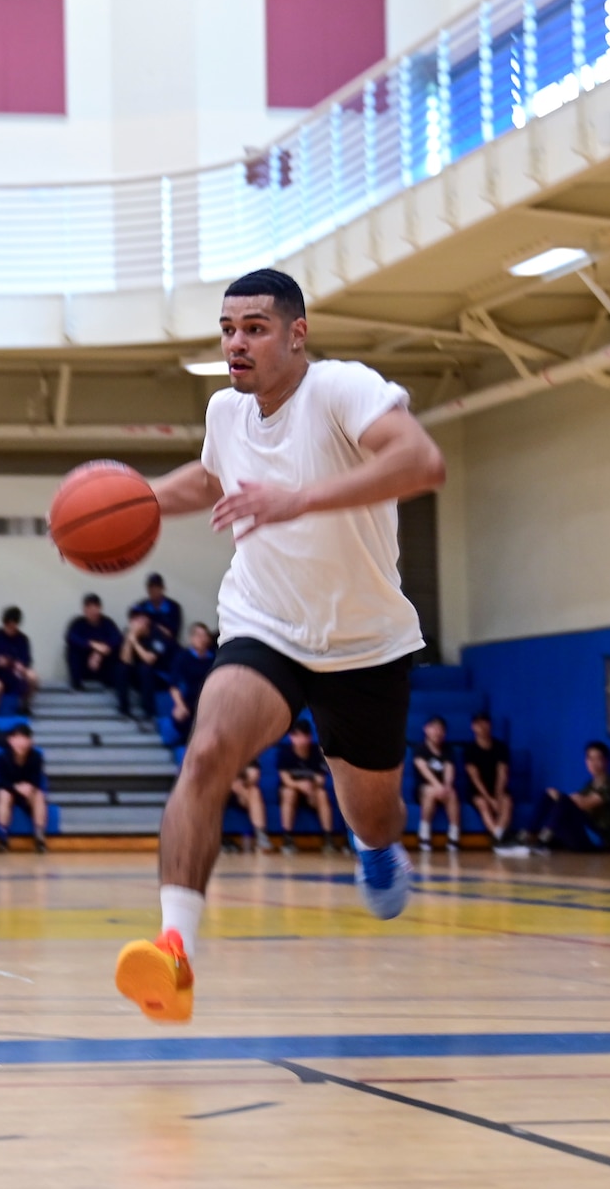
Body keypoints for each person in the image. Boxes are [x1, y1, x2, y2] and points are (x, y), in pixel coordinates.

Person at [113, 269, 444, 1024]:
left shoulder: (342, 389)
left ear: (297, 333)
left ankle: (374, 845)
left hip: (365, 642)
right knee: (207, 752)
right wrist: (131, 498)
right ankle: (173, 948)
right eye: (228, 328)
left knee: (375, 814)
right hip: (265, 625)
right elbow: (208, 479)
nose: (237, 342)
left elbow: (422, 462)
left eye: (255, 327)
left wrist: (295, 498)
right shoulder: (225, 411)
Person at [523, 742, 610, 852]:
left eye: (597, 759)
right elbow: (574, 800)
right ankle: (527, 835)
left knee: (563, 800)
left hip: (597, 839)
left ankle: (543, 840)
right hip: (582, 833)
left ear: (605, 761)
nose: (593, 763)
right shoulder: (589, 785)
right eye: (590, 759)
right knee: (548, 796)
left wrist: (563, 798)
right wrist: (561, 798)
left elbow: (584, 803)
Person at [275, 720, 336, 854]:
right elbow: (285, 779)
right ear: (291, 737)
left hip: (312, 792)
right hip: (293, 791)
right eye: (297, 736)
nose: (301, 740)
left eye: (304, 735)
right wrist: (300, 785)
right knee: (288, 793)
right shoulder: (285, 752)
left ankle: (328, 838)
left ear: (309, 737)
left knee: (322, 794)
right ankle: (287, 838)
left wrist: (311, 788)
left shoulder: (317, 752)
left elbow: (321, 779)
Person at [462, 711, 516, 852]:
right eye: (478, 724)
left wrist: (497, 796)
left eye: (485, 722)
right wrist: (489, 799)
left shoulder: (500, 747)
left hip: (497, 788)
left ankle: (498, 836)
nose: (482, 727)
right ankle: (498, 837)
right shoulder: (470, 750)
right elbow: (475, 777)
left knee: (506, 801)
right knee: (483, 804)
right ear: (473, 727)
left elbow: (502, 773)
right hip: (477, 790)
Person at [0, 722, 50, 853]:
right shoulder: (1, 757)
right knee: (3, 794)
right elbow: (1, 781)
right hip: (10, 790)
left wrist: (30, 787)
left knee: (39, 795)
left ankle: (40, 838)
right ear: (10, 740)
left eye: (24, 738)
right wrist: (16, 787)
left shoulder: (36, 757)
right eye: (17, 738)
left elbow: (37, 779)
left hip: (28, 792)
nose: (21, 743)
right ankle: (3, 838)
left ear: (30, 741)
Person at [410, 715, 460, 851]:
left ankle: (453, 836)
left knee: (452, 793)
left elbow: (449, 768)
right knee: (430, 791)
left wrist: (447, 786)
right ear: (426, 729)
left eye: (441, 729)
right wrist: (437, 786)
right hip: (423, 789)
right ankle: (424, 834)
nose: (437, 732)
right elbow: (423, 768)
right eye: (434, 728)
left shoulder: (447, 749)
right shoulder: (420, 749)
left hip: (443, 788)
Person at [0, 606, 38, 716]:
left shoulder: (23, 639)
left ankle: (24, 706)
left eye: (14, 625)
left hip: (14, 674)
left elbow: (27, 659)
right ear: (4, 622)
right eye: (9, 625)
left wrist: (21, 665)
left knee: (32, 676)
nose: (11, 628)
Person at [168, 623, 217, 738]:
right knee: (181, 719)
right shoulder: (182, 657)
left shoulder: (215, 658)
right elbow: (174, 686)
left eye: (205, 636)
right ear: (192, 638)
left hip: (210, 701)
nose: (202, 639)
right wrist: (179, 705)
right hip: (190, 701)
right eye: (198, 635)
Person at [64, 594, 122, 692]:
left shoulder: (107, 623)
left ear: (100, 608)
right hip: (85, 665)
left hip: (103, 666)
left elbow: (117, 639)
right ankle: (77, 685)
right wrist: (92, 645)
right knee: (72, 650)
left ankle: (111, 685)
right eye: (88, 608)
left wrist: (99, 653)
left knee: (117, 651)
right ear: (84, 610)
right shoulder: (78, 623)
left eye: (95, 608)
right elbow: (70, 637)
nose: (92, 611)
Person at [117, 610, 167, 720]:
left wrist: (134, 641)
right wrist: (130, 639)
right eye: (134, 620)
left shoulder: (157, 634)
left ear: (147, 620)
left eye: (140, 619)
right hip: (139, 676)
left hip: (158, 676)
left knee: (145, 669)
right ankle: (124, 709)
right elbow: (125, 660)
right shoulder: (130, 634)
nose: (137, 623)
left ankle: (148, 712)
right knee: (121, 669)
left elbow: (149, 660)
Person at [129, 573, 183, 655]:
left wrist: (151, 624)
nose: (153, 590)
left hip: (168, 648)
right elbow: (135, 624)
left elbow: (172, 634)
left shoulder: (174, 607)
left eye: (156, 587)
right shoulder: (141, 606)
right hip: (145, 646)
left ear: (163, 588)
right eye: (151, 587)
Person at [229, 761, 271, 853]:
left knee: (255, 791)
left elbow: (254, 775)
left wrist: (242, 786)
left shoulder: (248, 754)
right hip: (221, 792)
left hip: (243, 789)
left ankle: (261, 835)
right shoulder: (220, 752)